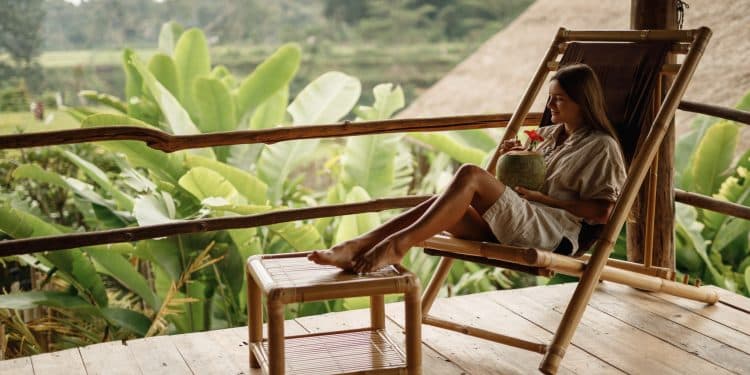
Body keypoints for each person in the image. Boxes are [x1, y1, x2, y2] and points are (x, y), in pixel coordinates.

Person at [309, 63, 627, 273]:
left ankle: (396, 246)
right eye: (549, 98)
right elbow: (519, 185)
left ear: (582, 102)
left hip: (551, 233)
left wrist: (544, 200)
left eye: (558, 100)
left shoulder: (601, 146)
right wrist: (512, 159)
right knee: (437, 203)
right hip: (515, 223)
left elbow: (603, 214)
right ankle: (355, 246)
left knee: (470, 174)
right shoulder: (544, 136)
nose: (549, 106)